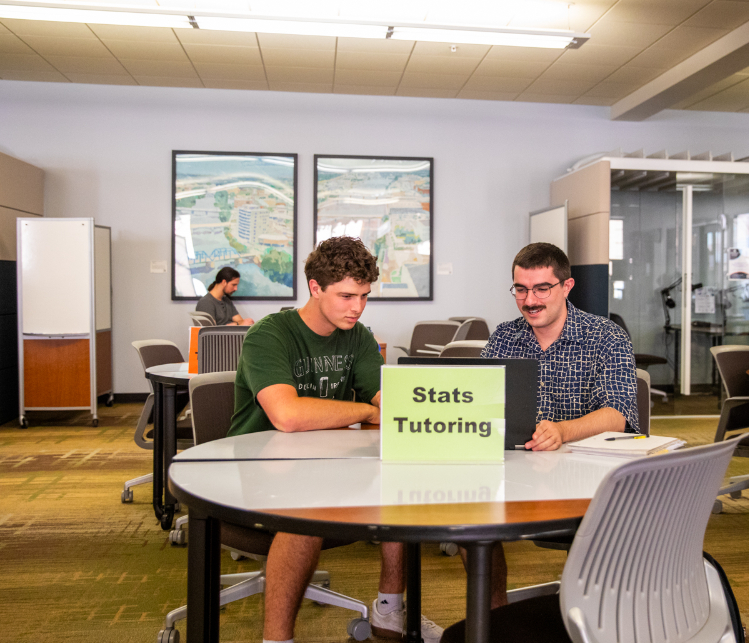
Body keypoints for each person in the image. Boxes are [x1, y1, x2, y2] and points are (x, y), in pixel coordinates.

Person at [228, 237, 442, 643]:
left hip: (330, 465)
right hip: (256, 472)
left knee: (400, 489)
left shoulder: (358, 336)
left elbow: (388, 401)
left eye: (364, 296)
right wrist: (363, 411)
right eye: (346, 295)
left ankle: (389, 611)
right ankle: (276, 639)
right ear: (315, 288)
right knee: (307, 512)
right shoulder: (270, 334)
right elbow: (287, 416)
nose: (357, 307)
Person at [475, 241, 639, 608]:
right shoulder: (504, 336)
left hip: (584, 476)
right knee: (470, 515)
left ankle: (594, 614)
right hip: (514, 472)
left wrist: (562, 430)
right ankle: (494, 614)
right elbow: (478, 403)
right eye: (520, 289)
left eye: (541, 289)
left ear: (566, 287)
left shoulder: (605, 336)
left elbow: (618, 413)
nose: (529, 300)